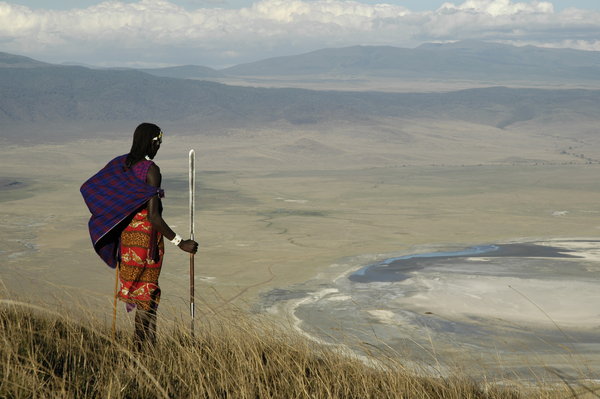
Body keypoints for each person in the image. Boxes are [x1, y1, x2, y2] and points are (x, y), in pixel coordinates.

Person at [81, 123, 198, 348]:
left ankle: (148, 347)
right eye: (159, 143)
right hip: (146, 242)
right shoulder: (151, 170)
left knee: (143, 294)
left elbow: (95, 188)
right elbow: (154, 216)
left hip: (126, 240)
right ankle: (141, 349)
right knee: (146, 294)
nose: (159, 148)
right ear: (152, 142)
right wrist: (180, 242)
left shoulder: (121, 165)